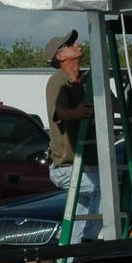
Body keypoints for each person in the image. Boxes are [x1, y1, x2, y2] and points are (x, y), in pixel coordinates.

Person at [43, 29, 101, 241]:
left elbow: (112, 104)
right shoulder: (58, 80)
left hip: (86, 166)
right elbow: (59, 111)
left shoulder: (86, 81)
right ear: (60, 56)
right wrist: (75, 113)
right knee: (103, 188)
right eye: (69, 44)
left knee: (83, 212)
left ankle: (71, 256)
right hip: (67, 168)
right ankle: (89, 243)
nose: (77, 45)